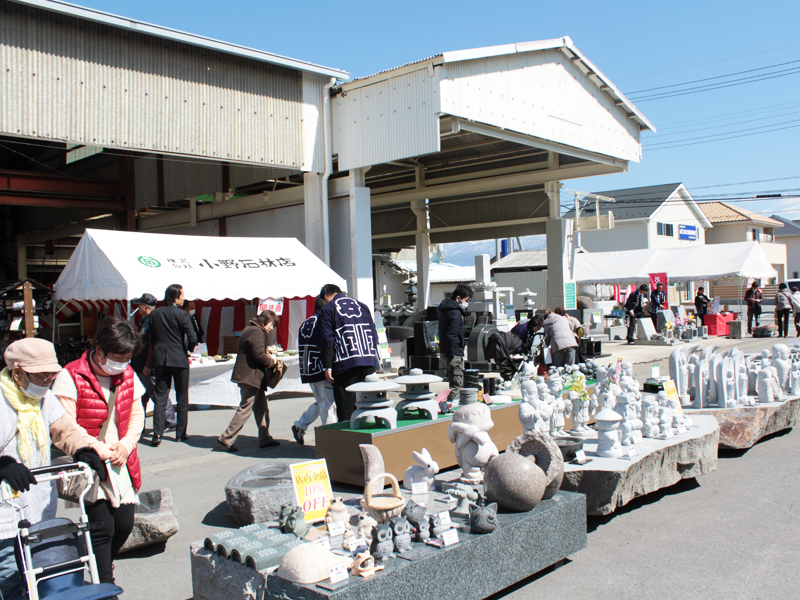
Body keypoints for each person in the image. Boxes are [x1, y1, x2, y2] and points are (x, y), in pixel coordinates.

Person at [0, 339, 104, 599]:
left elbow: (65, 429)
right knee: (10, 577)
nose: (48, 379)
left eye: (51, 374)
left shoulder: (44, 398)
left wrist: (84, 450)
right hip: (5, 511)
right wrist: (3, 466)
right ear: (17, 372)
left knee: (44, 574)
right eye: (41, 374)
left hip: (38, 501)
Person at [53, 317, 145, 586]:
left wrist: (126, 445)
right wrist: (100, 449)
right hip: (91, 462)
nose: (122, 364)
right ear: (100, 349)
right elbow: (65, 425)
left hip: (121, 461)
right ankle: (104, 585)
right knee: (102, 529)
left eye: (127, 358)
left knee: (125, 524)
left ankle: (98, 564)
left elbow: (137, 415)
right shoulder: (71, 375)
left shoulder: (128, 374)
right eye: (117, 357)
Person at [217, 311, 281, 452]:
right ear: (266, 321)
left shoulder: (251, 329)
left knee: (261, 407)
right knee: (246, 408)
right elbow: (259, 355)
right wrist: (272, 362)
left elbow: (258, 352)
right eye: (271, 324)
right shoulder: (256, 331)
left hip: (251, 376)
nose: (271, 328)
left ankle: (265, 438)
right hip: (250, 376)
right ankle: (226, 438)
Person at [318, 284, 380, 421]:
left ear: (326, 295)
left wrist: (327, 366)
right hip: (367, 360)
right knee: (368, 403)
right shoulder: (362, 306)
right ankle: (370, 434)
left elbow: (327, 340)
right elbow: (374, 335)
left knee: (346, 406)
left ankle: (349, 439)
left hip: (345, 361)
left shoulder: (328, 309)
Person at [146, 284, 196, 446]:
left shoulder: (155, 314)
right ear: (176, 298)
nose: (184, 298)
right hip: (179, 358)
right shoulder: (182, 315)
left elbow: (150, 337)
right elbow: (192, 337)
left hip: (160, 358)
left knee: (160, 397)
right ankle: (180, 434)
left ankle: (157, 434)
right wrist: (187, 350)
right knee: (182, 397)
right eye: (182, 295)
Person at [292, 298, 336, 445]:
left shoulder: (306, 322)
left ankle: (300, 425)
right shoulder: (323, 321)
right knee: (328, 405)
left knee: (321, 402)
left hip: (309, 367)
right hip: (322, 368)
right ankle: (330, 441)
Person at [133, 293, 176, 432]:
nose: (138, 308)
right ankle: (139, 423)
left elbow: (152, 345)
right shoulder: (148, 320)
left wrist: (148, 365)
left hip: (147, 365)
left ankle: (169, 421)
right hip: (142, 364)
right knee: (143, 395)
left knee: (156, 393)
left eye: (140, 305)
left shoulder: (151, 321)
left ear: (145, 307)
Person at [437, 284, 473, 404]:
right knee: (456, 383)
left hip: (446, 349)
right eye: (466, 300)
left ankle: (450, 403)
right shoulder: (455, 313)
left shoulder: (445, 311)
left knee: (453, 380)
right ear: (458, 299)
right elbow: (452, 334)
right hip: (454, 352)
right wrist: (453, 354)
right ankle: (452, 405)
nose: (466, 303)